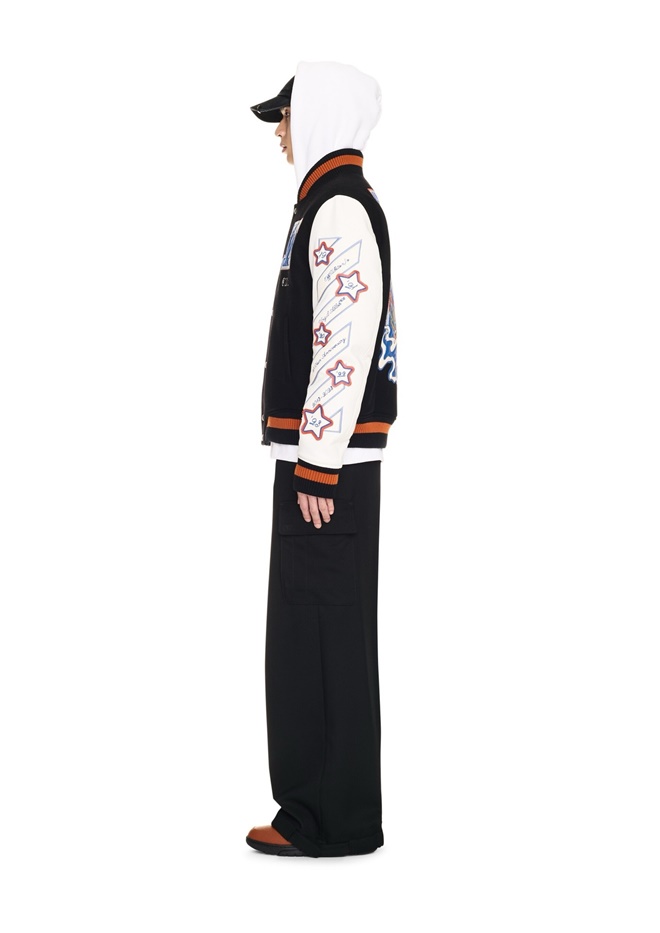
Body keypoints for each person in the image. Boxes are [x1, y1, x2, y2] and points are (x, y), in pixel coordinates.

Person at [246, 61, 398, 858]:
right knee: (319, 631)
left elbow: (344, 338)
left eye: (286, 116)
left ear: (321, 114)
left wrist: (317, 463)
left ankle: (324, 817)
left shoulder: (337, 209)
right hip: (325, 456)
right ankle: (331, 810)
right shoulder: (329, 204)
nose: (280, 133)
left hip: (325, 467)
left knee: (319, 635)